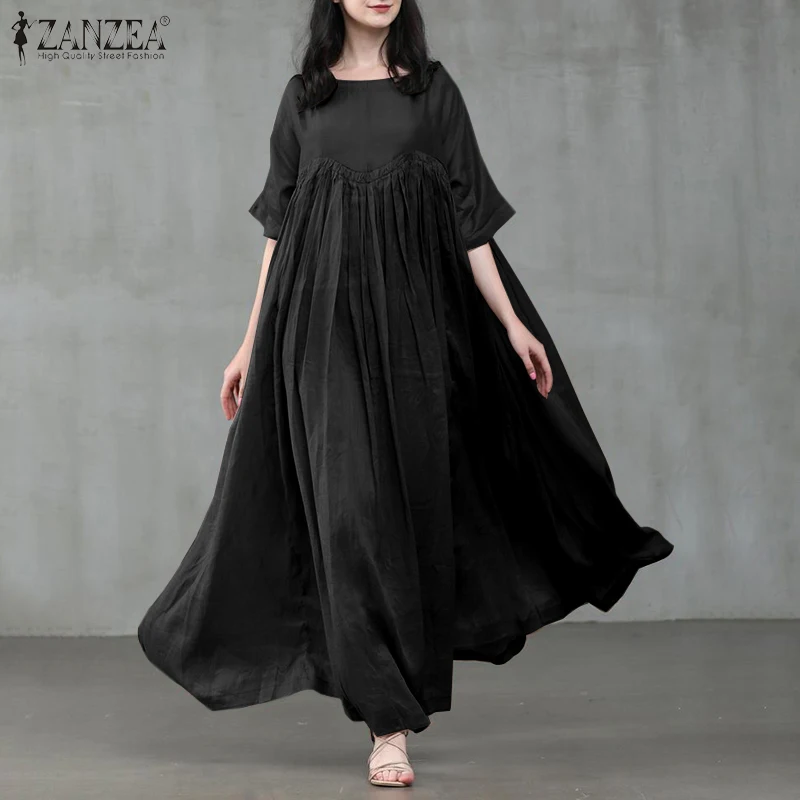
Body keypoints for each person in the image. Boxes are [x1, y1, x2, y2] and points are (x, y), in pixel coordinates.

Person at [137, 0, 675, 788]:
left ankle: (422, 670)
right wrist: (250, 343)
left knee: (406, 516)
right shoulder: (304, 98)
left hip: (416, 341)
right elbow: (278, 234)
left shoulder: (433, 92)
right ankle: (388, 727)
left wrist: (513, 323)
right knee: (349, 513)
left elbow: (470, 222)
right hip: (319, 337)